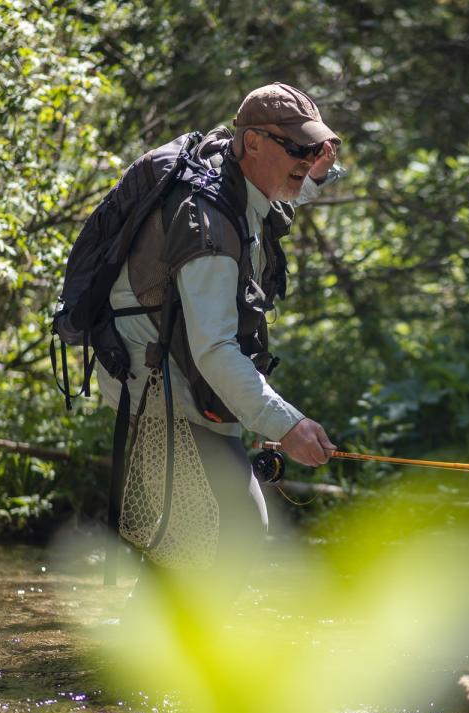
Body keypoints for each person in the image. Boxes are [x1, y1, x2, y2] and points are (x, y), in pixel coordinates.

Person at [95, 83, 340, 572]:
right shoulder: (206, 222)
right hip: (157, 382)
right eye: (297, 148)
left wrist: (316, 170)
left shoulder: (238, 182)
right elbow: (214, 350)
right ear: (253, 143)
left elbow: (286, 192)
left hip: (184, 373)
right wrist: (286, 424)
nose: (306, 159)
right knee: (237, 525)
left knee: (196, 537)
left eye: (312, 149)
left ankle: (153, 622)